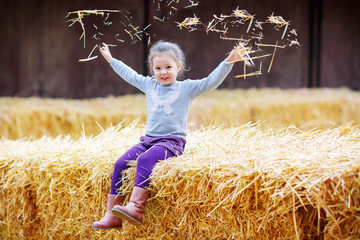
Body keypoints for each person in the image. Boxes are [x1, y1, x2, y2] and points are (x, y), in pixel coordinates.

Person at [92, 40, 240, 229]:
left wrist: (228, 62)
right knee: (121, 163)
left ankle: (136, 207)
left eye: (168, 67)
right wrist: (111, 60)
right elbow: (130, 75)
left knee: (145, 160)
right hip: (148, 140)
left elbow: (211, 81)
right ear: (152, 69)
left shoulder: (186, 88)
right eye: (158, 68)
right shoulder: (149, 84)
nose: (163, 72)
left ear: (178, 67)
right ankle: (112, 215)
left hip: (171, 142)